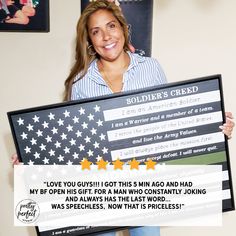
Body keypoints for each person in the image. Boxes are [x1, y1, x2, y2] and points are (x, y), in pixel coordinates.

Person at [12, 0, 234, 235]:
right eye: (96, 31)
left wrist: (214, 128)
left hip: (147, 184)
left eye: (111, 26)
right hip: (99, 188)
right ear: (89, 40)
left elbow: (171, 121)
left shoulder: (151, 68)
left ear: (123, 28)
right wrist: (32, 157)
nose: (106, 36)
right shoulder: (80, 82)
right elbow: (72, 142)